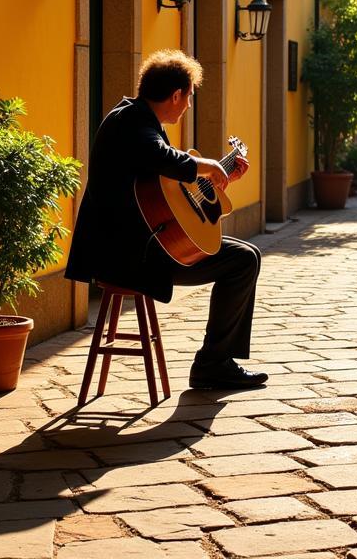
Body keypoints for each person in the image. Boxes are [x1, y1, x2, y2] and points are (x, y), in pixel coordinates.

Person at [65, 49, 267, 390]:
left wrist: (221, 179)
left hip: (144, 243)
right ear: (176, 95)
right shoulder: (133, 122)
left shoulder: (137, 119)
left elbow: (164, 193)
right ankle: (213, 364)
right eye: (188, 97)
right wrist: (209, 165)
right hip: (130, 256)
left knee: (247, 254)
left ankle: (215, 362)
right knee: (244, 259)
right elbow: (161, 157)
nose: (188, 106)